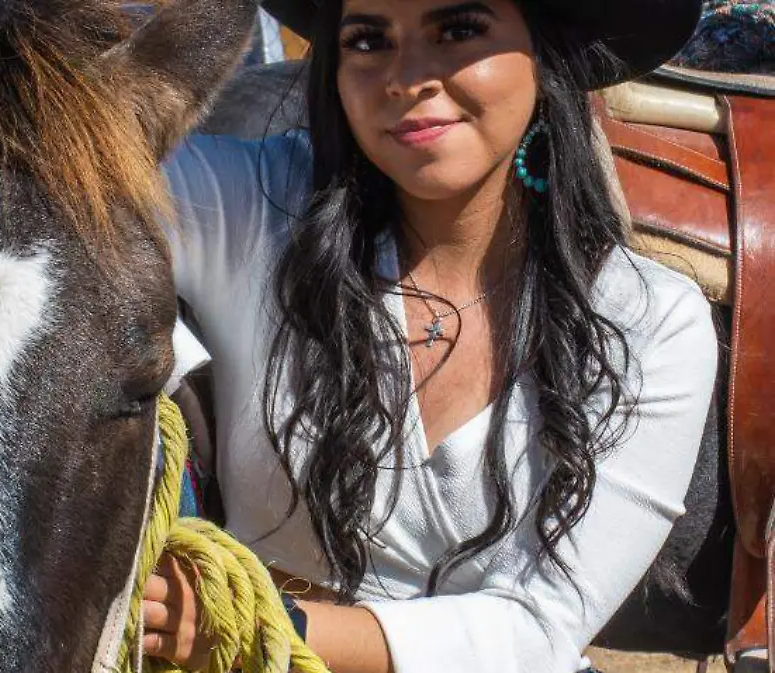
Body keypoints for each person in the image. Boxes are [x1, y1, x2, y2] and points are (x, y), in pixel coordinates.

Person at [140, 0, 718, 671]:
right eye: (367, 39)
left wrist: (262, 619)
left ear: (543, 51)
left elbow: (539, 628)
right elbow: (44, 185)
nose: (406, 77)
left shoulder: (650, 320)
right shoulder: (255, 207)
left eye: (460, 30)